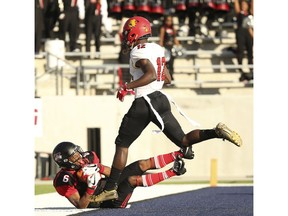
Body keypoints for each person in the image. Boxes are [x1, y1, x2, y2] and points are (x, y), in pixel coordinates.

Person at [92, 16, 243, 203]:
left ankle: (110, 188)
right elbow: (167, 77)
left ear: (133, 33)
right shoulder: (157, 48)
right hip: (160, 99)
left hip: (144, 102)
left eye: (127, 33)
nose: (125, 37)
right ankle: (216, 131)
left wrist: (127, 86)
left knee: (122, 144)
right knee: (184, 140)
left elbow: (151, 74)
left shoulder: (137, 52)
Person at [52, 141, 188, 208]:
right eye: (75, 158)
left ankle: (180, 153)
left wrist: (98, 167)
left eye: (78, 153)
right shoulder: (63, 179)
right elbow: (81, 205)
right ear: (66, 162)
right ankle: (173, 172)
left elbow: (113, 173)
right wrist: (90, 186)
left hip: (107, 186)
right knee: (133, 180)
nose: (80, 158)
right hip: (103, 201)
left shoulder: (89, 157)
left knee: (141, 164)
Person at [234, 0, 254, 82]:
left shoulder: (250, 14)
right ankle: (240, 67)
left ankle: (251, 68)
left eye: (245, 4)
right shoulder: (240, 13)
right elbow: (236, 4)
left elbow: (253, 6)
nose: (243, 6)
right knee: (240, 50)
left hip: (248, 34)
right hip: (240, 33)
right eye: (242, 4)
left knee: (250, 51)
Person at [159, 15, 181, 84]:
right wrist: (161, 48)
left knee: (171, 64)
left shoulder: (173, 29)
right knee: (166, 65)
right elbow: (161, 39)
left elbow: (174, 38)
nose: (169, 22)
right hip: (165, 49)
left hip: (171, 49)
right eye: (168, 20)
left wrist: (178, 46)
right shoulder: (163, 29)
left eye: (171, 20)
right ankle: (165, 80)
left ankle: (171, 78)